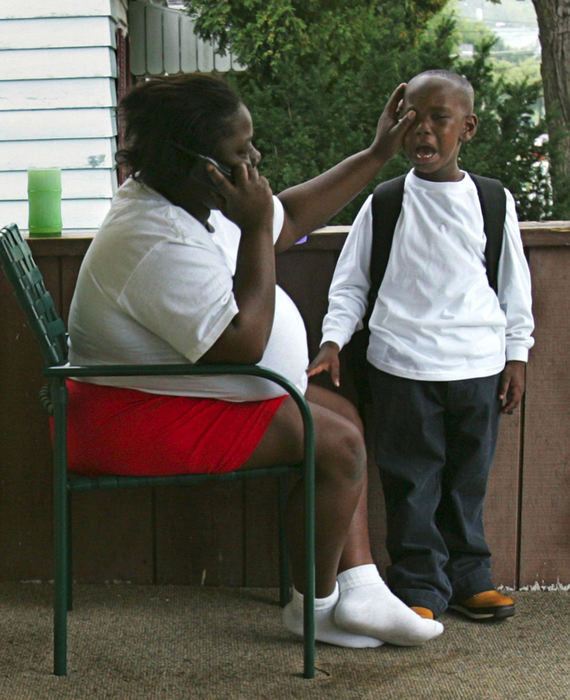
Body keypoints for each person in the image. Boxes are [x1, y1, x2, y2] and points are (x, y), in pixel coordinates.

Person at [66, 73, 443, 647]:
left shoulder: (190, 196)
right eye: (240, 152)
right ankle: (312, 609)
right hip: (129, 418)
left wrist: (376, 154)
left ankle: (359, 586)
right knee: (338, 446)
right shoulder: (150, 239)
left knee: (339, 415)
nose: (255, 161)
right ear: (194, 161)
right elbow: (242, 347)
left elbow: (286, 219)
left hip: (172, 395)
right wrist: (255, 225)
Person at [309, 70, 534, 622]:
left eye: (439, 118)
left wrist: (517, 354)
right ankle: (419, 588)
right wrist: (334, 340)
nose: (423, 130)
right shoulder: (384, 203)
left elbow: (513, 285)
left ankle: (470, 579)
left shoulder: (490, 201)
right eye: (411, 117)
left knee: (466, 481)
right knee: (411, 482)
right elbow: (351, 282)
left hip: (477, 367)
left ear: (468, 128)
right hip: (401, 365)